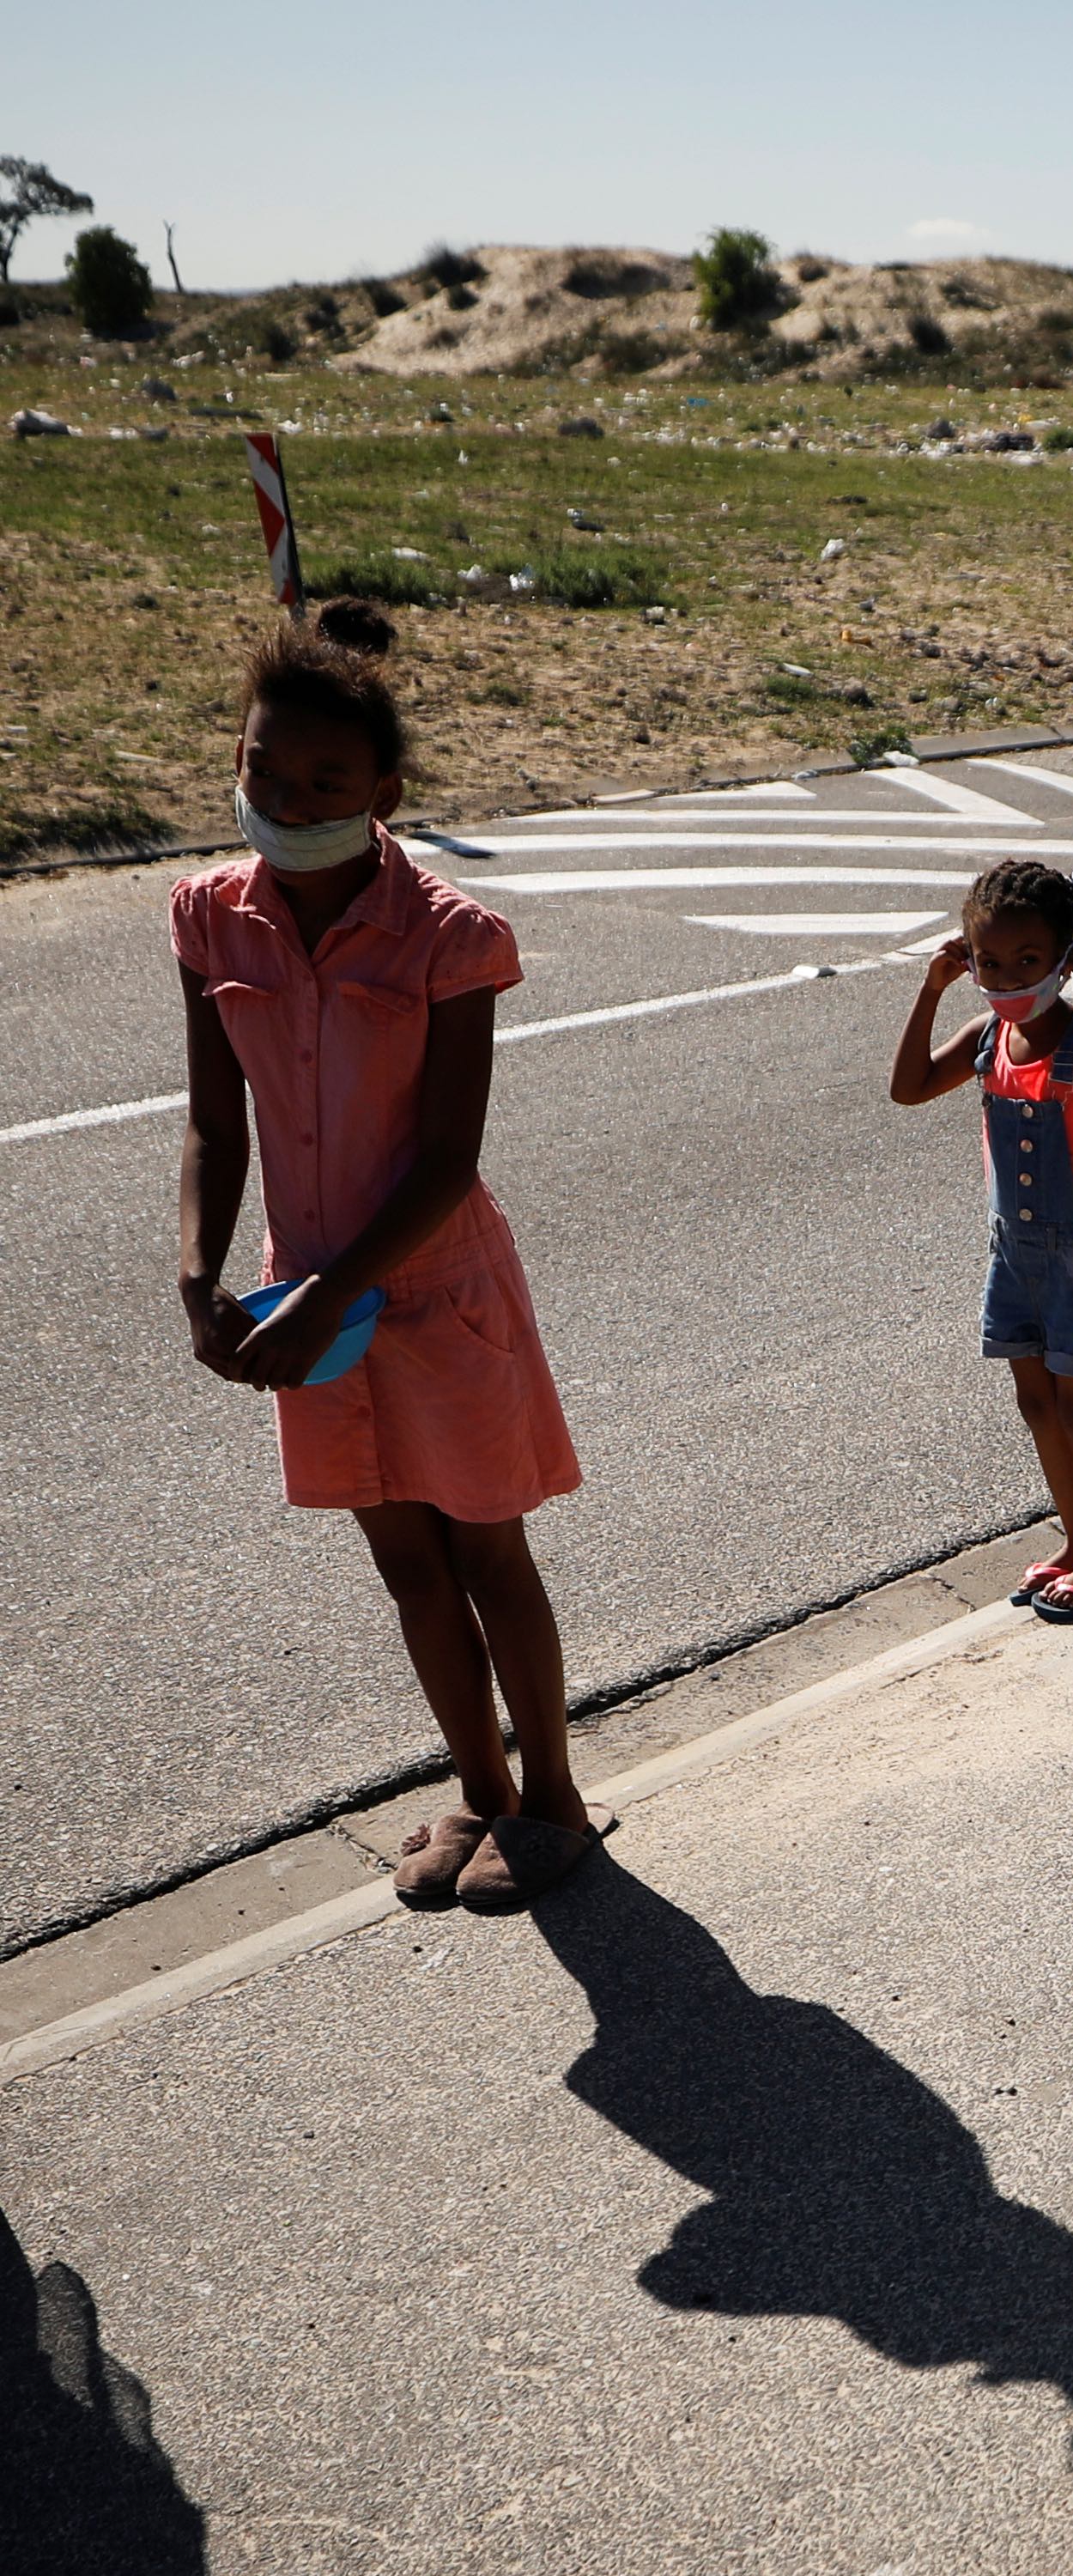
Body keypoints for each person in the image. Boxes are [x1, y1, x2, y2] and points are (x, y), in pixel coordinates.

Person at [171, 600, 593, 1912]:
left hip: (433, 1286)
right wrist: (200, 1278)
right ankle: (479, 1788)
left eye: (324, 781)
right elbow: (210, 1115)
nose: (286, 798)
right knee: (403, 1564)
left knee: (486, 1554)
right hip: (312, 1305)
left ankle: (557, 1800)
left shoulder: (448, 935)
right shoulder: (207, 918)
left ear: (383, 792)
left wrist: (329, 1297)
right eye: (263, 769)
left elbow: (448, 1160)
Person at [888, 860, 1073, 1619]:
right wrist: (930, 990)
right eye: (987, 961)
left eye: (1028, 961)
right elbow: (907, 1087)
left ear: (1064, 958)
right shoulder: (987, 1038)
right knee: (1035, 1403)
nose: (1006, 978)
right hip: (1013, 1251)